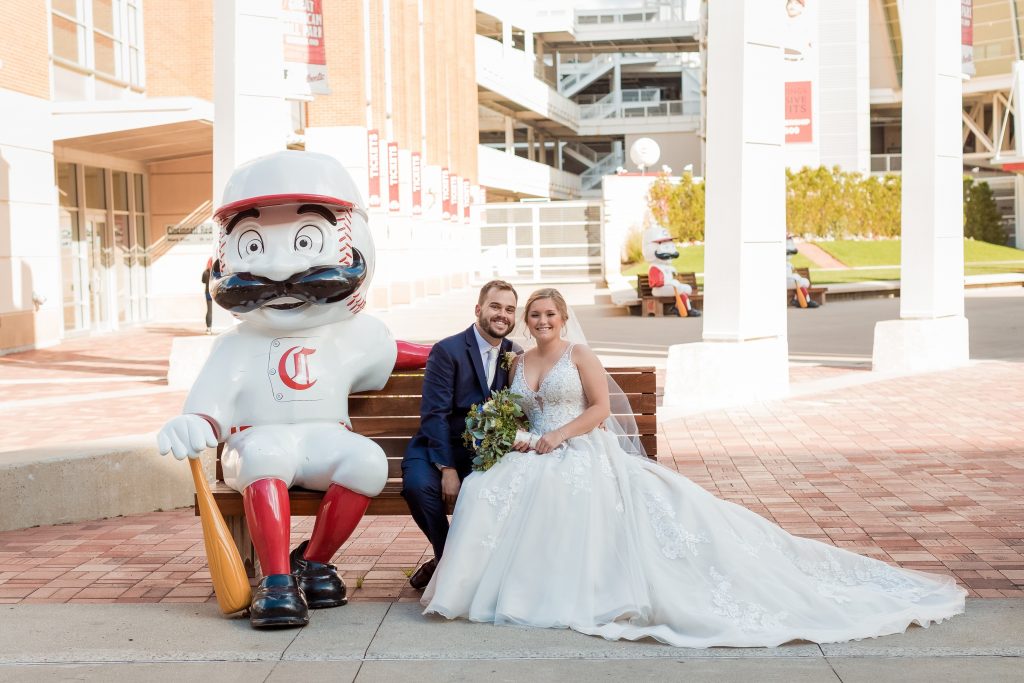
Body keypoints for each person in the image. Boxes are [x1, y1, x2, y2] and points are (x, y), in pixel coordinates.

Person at [421, 287, 965, 647]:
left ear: (562, 319)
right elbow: (511, 407)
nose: (539, 321)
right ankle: (490, 587)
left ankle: (571, 591)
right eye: (533, 315)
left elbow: (601, 409)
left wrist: (558, 436)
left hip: (580, 448)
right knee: (490, 487)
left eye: (548, 315)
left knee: (574, 496)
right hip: (532, 449)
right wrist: (513, 435)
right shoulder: (518, 359)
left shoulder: (578, 355)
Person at [156, 151, 431, 629]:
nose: (281, 271)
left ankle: (315, 562)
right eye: (255, 245)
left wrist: (472, 348)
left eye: (306, 241)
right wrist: (194, 422)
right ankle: (277, 583)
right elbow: (208, 408)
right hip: (256, 437)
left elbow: (406, 352)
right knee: (266, 455)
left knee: (366, 461)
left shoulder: (352, 334)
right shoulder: (235, 346)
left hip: (326, 435)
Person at [402, 280, 520, 590]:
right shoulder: (448, 350)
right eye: (495, 306)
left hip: (484, 454)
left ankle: (447, 566)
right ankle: (448, 558)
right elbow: (434, 413)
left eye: (509, 309)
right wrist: (448, 469)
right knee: (418, 487)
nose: (502, 315)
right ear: (479, 309)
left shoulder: (515, 354)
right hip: (435, 447)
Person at [643, 225, 701, 317]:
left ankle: (679, 308)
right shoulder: (654, 267)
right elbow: (657, 283)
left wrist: (671, 277)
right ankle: (688, 310)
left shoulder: (666, 266)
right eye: (665, 247)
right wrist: (671, 283)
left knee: (686, 289)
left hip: (668, 288)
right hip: (659, 290)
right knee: (680, 289)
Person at [786, 235, 819, 308]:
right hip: (787, 282)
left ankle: (797, 300)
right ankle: (807, 301)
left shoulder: (788, 264)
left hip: (790, 280)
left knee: (801, 281)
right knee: (801, 282)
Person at [201, 257, 214, 334]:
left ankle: (208, 328)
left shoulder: (206, 272)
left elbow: (202, 281)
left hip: (208, 293)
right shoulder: (217, 272)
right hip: (217, 293)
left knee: (209, 311)